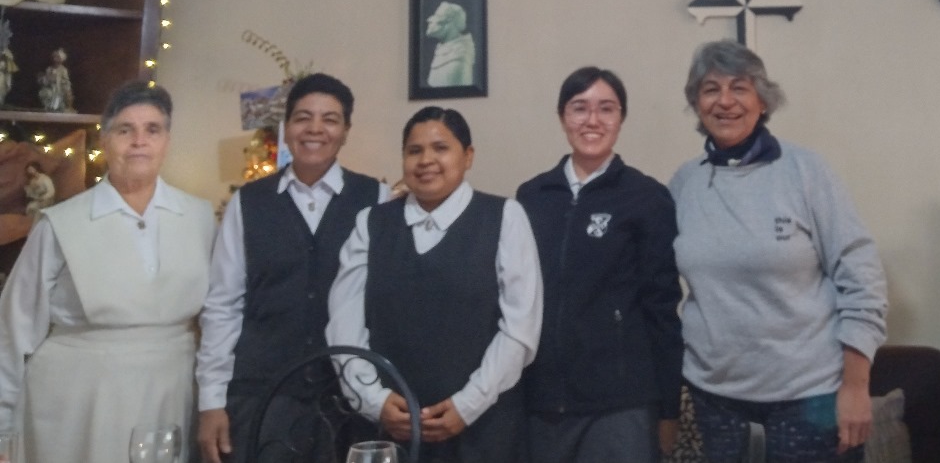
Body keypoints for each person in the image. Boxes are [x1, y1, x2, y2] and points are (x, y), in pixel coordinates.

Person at [668, 40, 888, 463]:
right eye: (711, 89)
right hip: (715, 397)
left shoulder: (806, 171)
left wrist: (857, 387)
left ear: (762, 101)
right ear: (696, 103)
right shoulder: (684, 184)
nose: (725, 101)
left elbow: (861, 278)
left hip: (811, 394)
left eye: (740, 88)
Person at [0, 80, 215, 463]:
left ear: (166, 140)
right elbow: (13, 329)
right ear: (104, 140)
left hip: (172, 393)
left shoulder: (200, 217)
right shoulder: (60, 223)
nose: (139, 141)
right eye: (125, 130)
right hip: (75, 405)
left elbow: (218, 319)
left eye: (153, 130)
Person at [327, 105, 542, 462]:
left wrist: (467, 405)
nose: (426, 160)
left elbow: (521, 329)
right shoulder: (371, 223)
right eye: (414, 150)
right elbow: (344, 324)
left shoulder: (504, 217)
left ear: (468, 156)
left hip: (483, 431)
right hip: (387, 433)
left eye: (440, 148)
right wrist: (373, 401)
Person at [197, 73, 388, 463]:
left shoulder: (376, 200)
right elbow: (223, 306)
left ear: (346, 131)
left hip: (349, 398)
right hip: (263, 397)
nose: (315, 128)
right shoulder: (248, 203)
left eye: (330, 119)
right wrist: (212, 401)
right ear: (286, 128)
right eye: (303, 117)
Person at [516, 67, 682, 463]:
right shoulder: (532, 196)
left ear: (621, 119)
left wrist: (669, 408)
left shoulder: (646, 197)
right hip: (542, 399)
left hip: (620, 403)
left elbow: (662, 308)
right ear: (562, 117)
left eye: (606, 109)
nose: (592, 120)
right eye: (580, 108)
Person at [425, 1, 476, 87]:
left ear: (450, 23)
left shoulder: (458, 58)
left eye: (438, 17)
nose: (430, 22)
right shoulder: (444, 47)